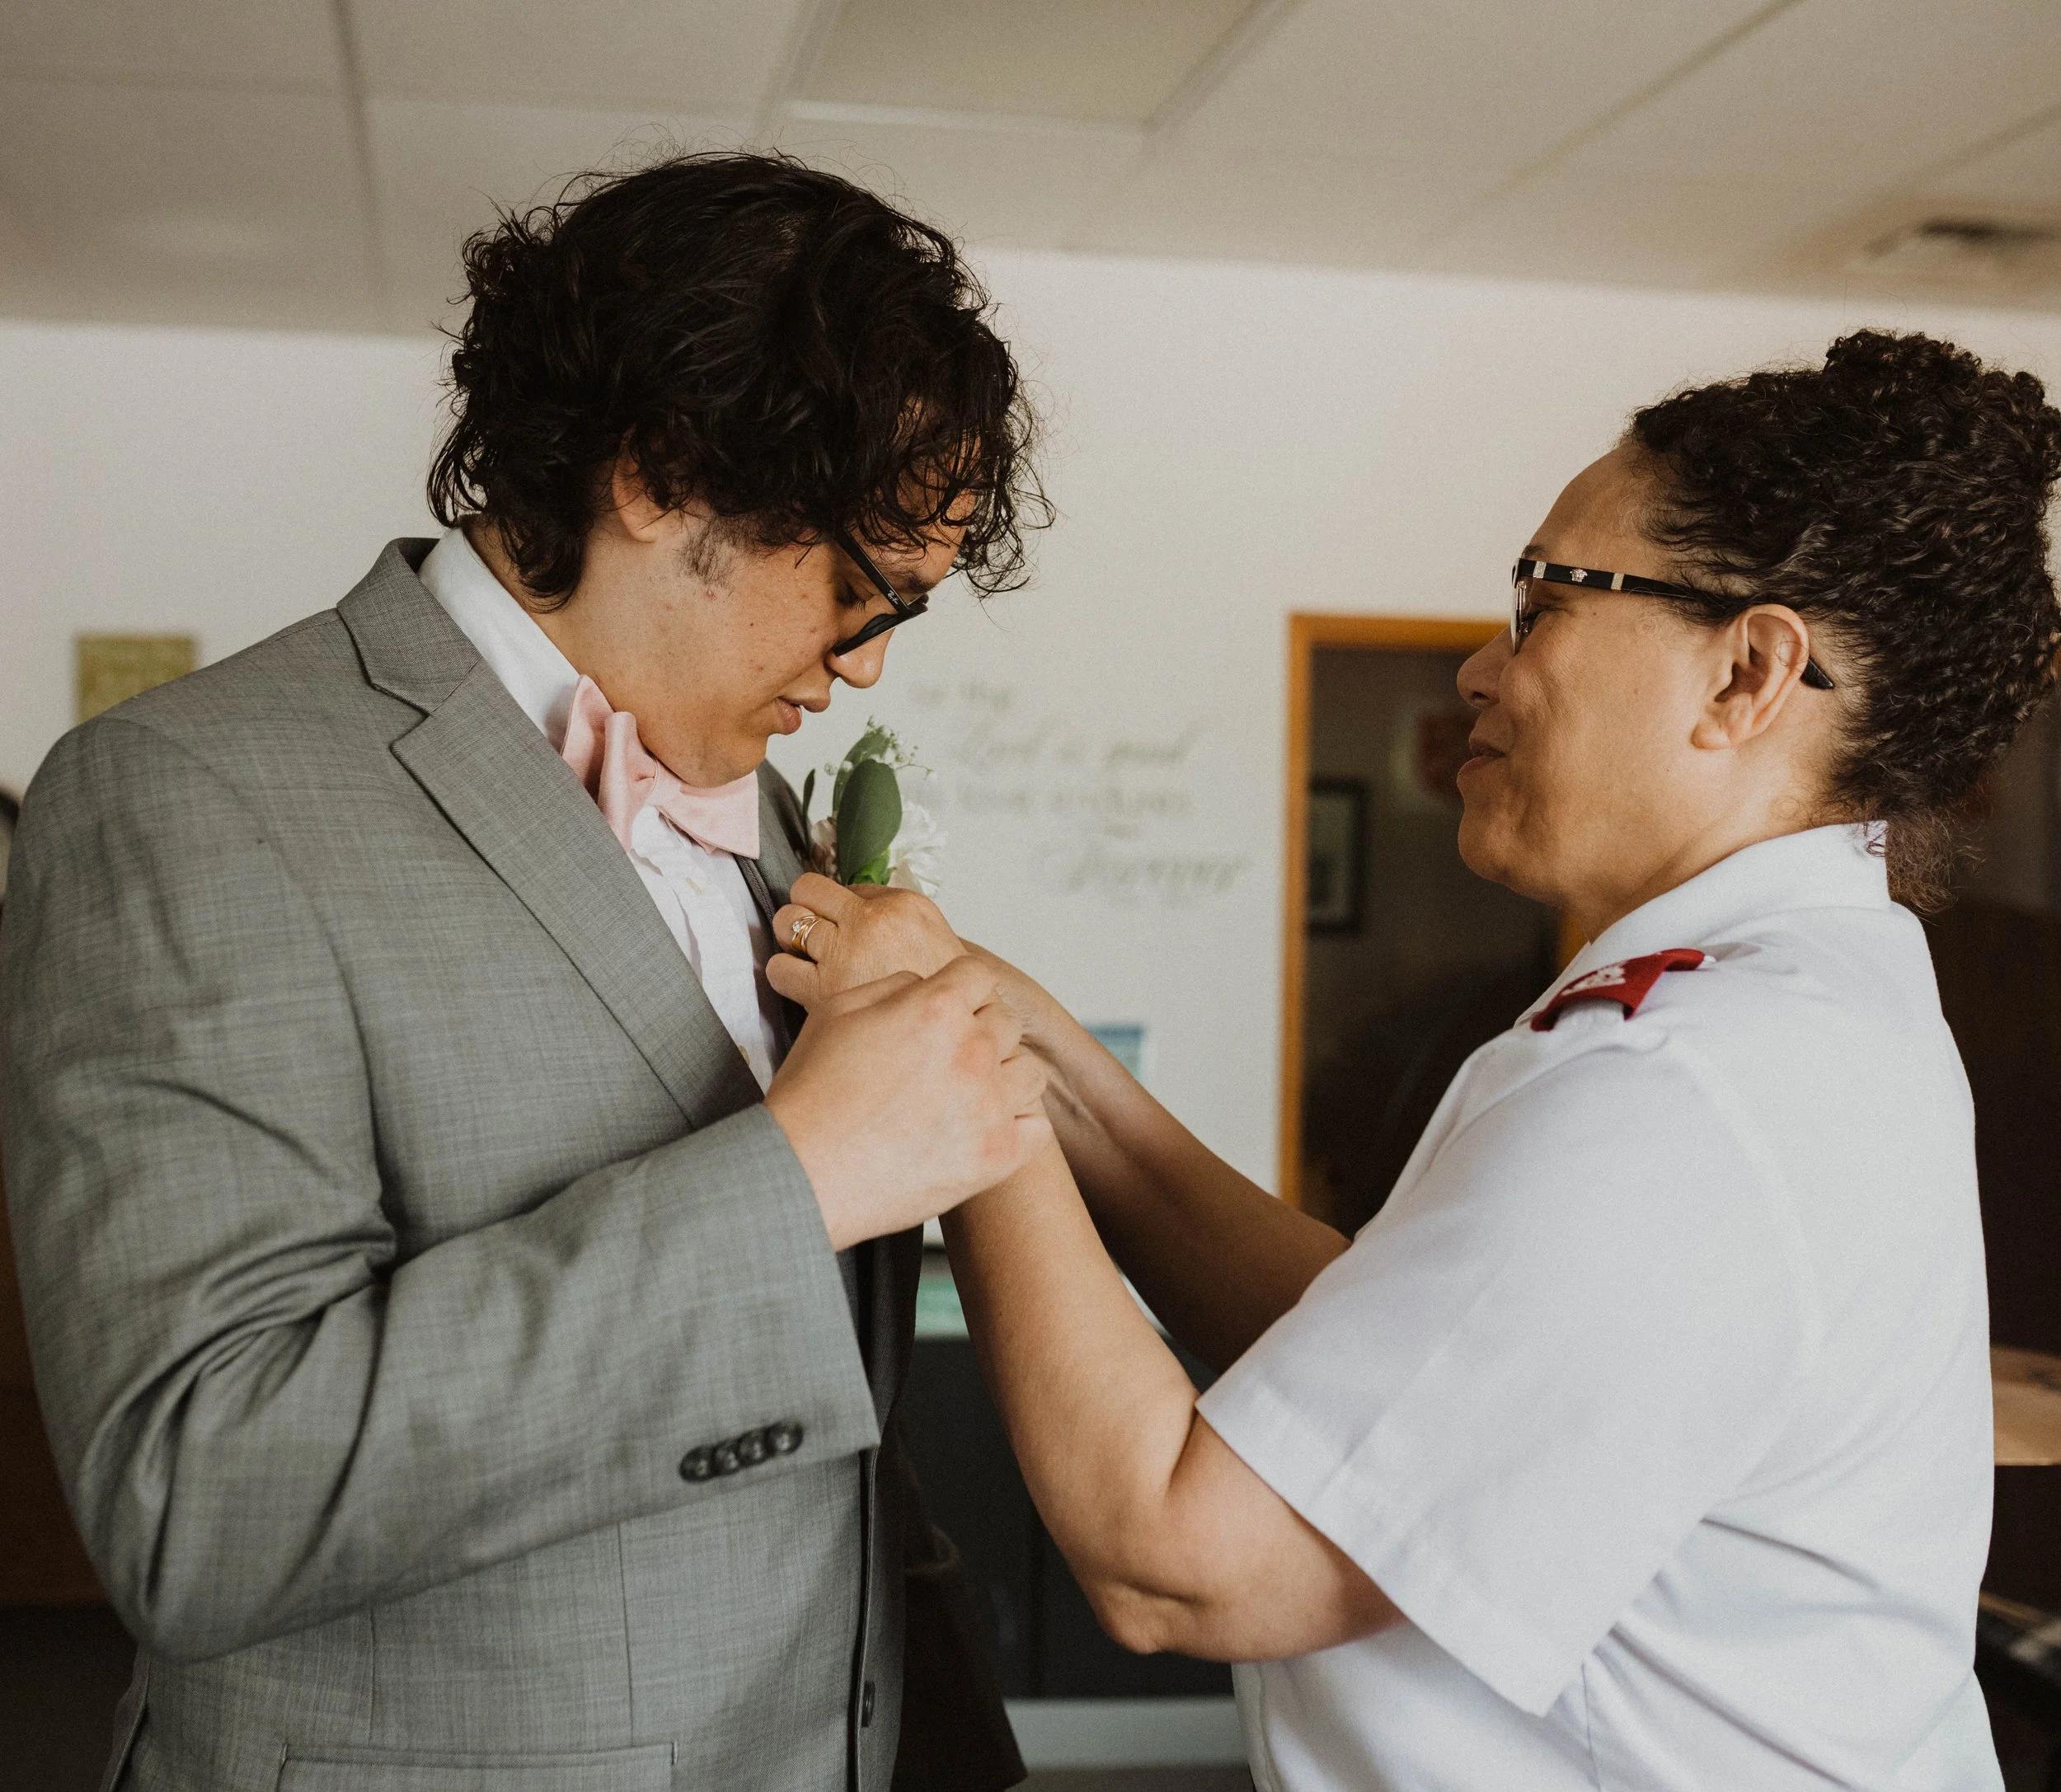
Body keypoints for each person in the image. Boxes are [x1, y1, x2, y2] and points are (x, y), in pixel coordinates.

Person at [771, 330, 2060, 1789]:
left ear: (1747, 673)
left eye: (1546, 603)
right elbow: (1384, 1366)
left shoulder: (1690, 1095)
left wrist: (953, 1076)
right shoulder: (1793, 1000)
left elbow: (1174, 1555)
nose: (1481, 667)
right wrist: (1003, 1017)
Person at [0, 153, 1049, 1792]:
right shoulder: (181, 799)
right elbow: (198, 1490)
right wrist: (796, 1179)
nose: (868, 668)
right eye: (854, 590)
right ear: (660, 472)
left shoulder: (777, 820)